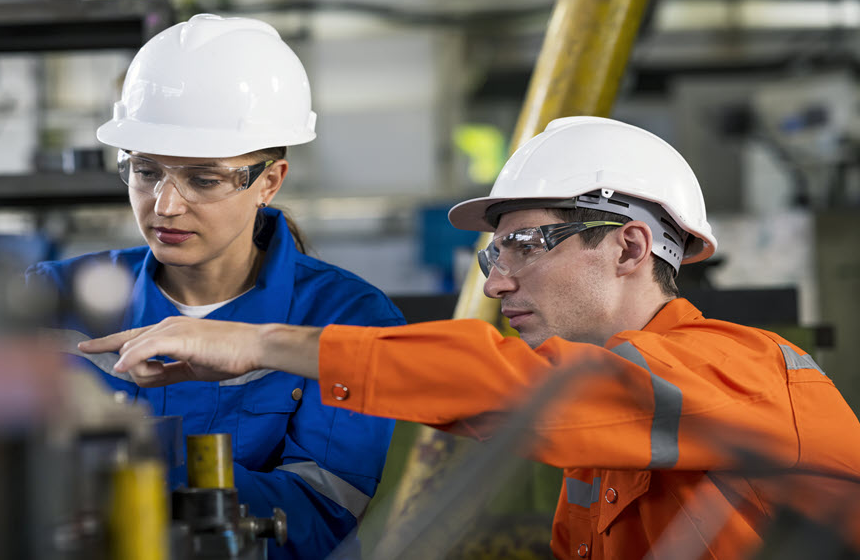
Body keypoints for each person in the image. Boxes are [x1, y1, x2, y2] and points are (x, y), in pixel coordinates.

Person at [80, 116, 860, 559]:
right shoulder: (612, 435)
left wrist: (265, 344)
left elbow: (524, 389)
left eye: (527, 243)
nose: (496, 281)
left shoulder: (745, 375)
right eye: (496, 252)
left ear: (627, 247)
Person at [26, 14, 406, 560]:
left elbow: (319, 517)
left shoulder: (346, 319)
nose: (166, 205)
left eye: (203, 179)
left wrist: (127, 455)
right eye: (146, 171)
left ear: (269, 182)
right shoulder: (50, 298)